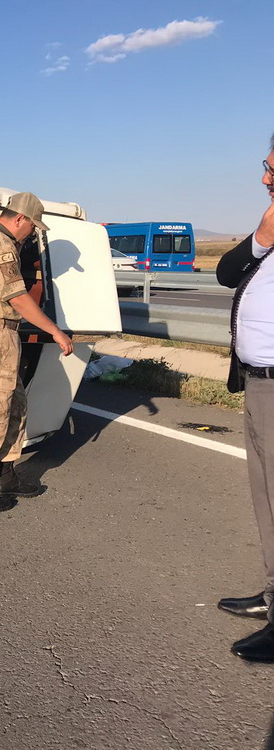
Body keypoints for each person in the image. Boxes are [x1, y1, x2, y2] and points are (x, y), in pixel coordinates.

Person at [0, 192, 74, 513]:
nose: (31, 234)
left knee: (14, 403)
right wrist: (54, 331)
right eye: (32, 227)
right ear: (19, 218)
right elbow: (18, 298)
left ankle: (6, 475)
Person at [215, 133, 274, 662]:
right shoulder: (271, 226)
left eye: (272, 170)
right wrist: (261, 237)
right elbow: (225, 272)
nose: (263, 178)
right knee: (265, 497)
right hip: (259, 381)